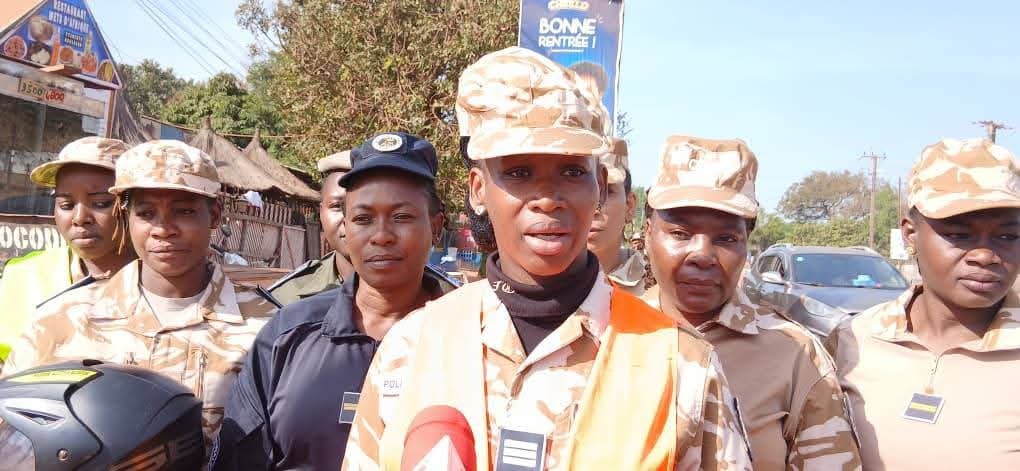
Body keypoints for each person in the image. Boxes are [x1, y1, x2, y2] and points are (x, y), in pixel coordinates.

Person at [344, 47, 751, 470]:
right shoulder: (412, 347)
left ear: (599, 184)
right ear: (479, 189)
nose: (547, 199)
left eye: (571, 172)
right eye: (518, 172)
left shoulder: (679, 364)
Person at [1, 140, 279, 458]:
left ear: (214, 215)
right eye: (146, 213)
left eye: (184, 211)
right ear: (127, 216)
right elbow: (12, 436)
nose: (163, 229)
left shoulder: (269, 327)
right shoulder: (63, 320)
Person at [214, 132, 457, 470]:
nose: (381, 235)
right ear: (345, 227)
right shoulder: (288, 335)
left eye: (402, 216)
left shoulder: (470, 338)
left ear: (436, 225)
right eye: (363, 219)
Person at [641, 136, 861, 470]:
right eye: (681, 234)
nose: (702, 255)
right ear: (647, 235)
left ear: (747, 245)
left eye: (726, 239)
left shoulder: (795, 354)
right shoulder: (604, 334)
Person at [827, 138, 1020, 470]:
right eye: (959, 235)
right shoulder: (854, 340)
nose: (985, 256)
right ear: (910, 234)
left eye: (1008, 236)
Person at [0, 137, 135, 365]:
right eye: (66, 205)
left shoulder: (163, 282)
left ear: (133, 206)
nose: (80, 218)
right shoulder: (23, 276)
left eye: (101, 203)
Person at [267, 150, 356, 305]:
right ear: (321, 213)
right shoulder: (286, 299)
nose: (350, 219)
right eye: (337, 206)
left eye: (366, 208)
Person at [587, 138, 645, 295]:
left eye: (607, 191)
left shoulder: (657, 286)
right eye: (581, 190)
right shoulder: (532, 284)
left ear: (629, 205)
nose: (593, 207)